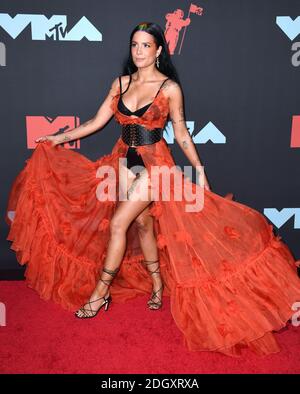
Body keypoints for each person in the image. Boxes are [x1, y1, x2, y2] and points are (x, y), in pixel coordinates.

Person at [6, 22, 300, 357]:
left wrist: (200, 173)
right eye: (134, 45)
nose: (139, 51)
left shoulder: (170, 88)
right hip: (121, 160)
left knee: (118, 224)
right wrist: (56, 138)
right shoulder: (120, 83)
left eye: (146, 45)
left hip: (153, 166)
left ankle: (99, 294)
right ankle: (158, 285)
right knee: (143, 223)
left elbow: (182, 134)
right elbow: (96, 121)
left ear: (159, 50)